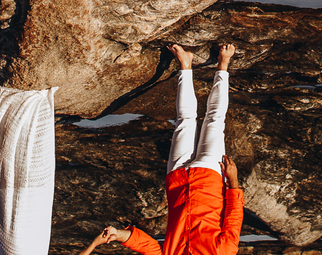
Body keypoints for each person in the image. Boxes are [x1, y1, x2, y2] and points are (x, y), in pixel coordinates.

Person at [91, 44, 243, 255]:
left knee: (184, 121)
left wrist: (119, 234)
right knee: (214, 120)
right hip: (211, 176)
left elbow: (149, 247)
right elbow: (233, 217)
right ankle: (223, 65)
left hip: (177, 178)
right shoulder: (223, 252)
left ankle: (186, 65)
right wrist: (233, 180)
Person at [0, 84, 59, 255]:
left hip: (15, 244)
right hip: (34, 243)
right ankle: (35, 105)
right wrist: (95, 242)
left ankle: (20, 107)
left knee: (11, 190)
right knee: (28, 181)